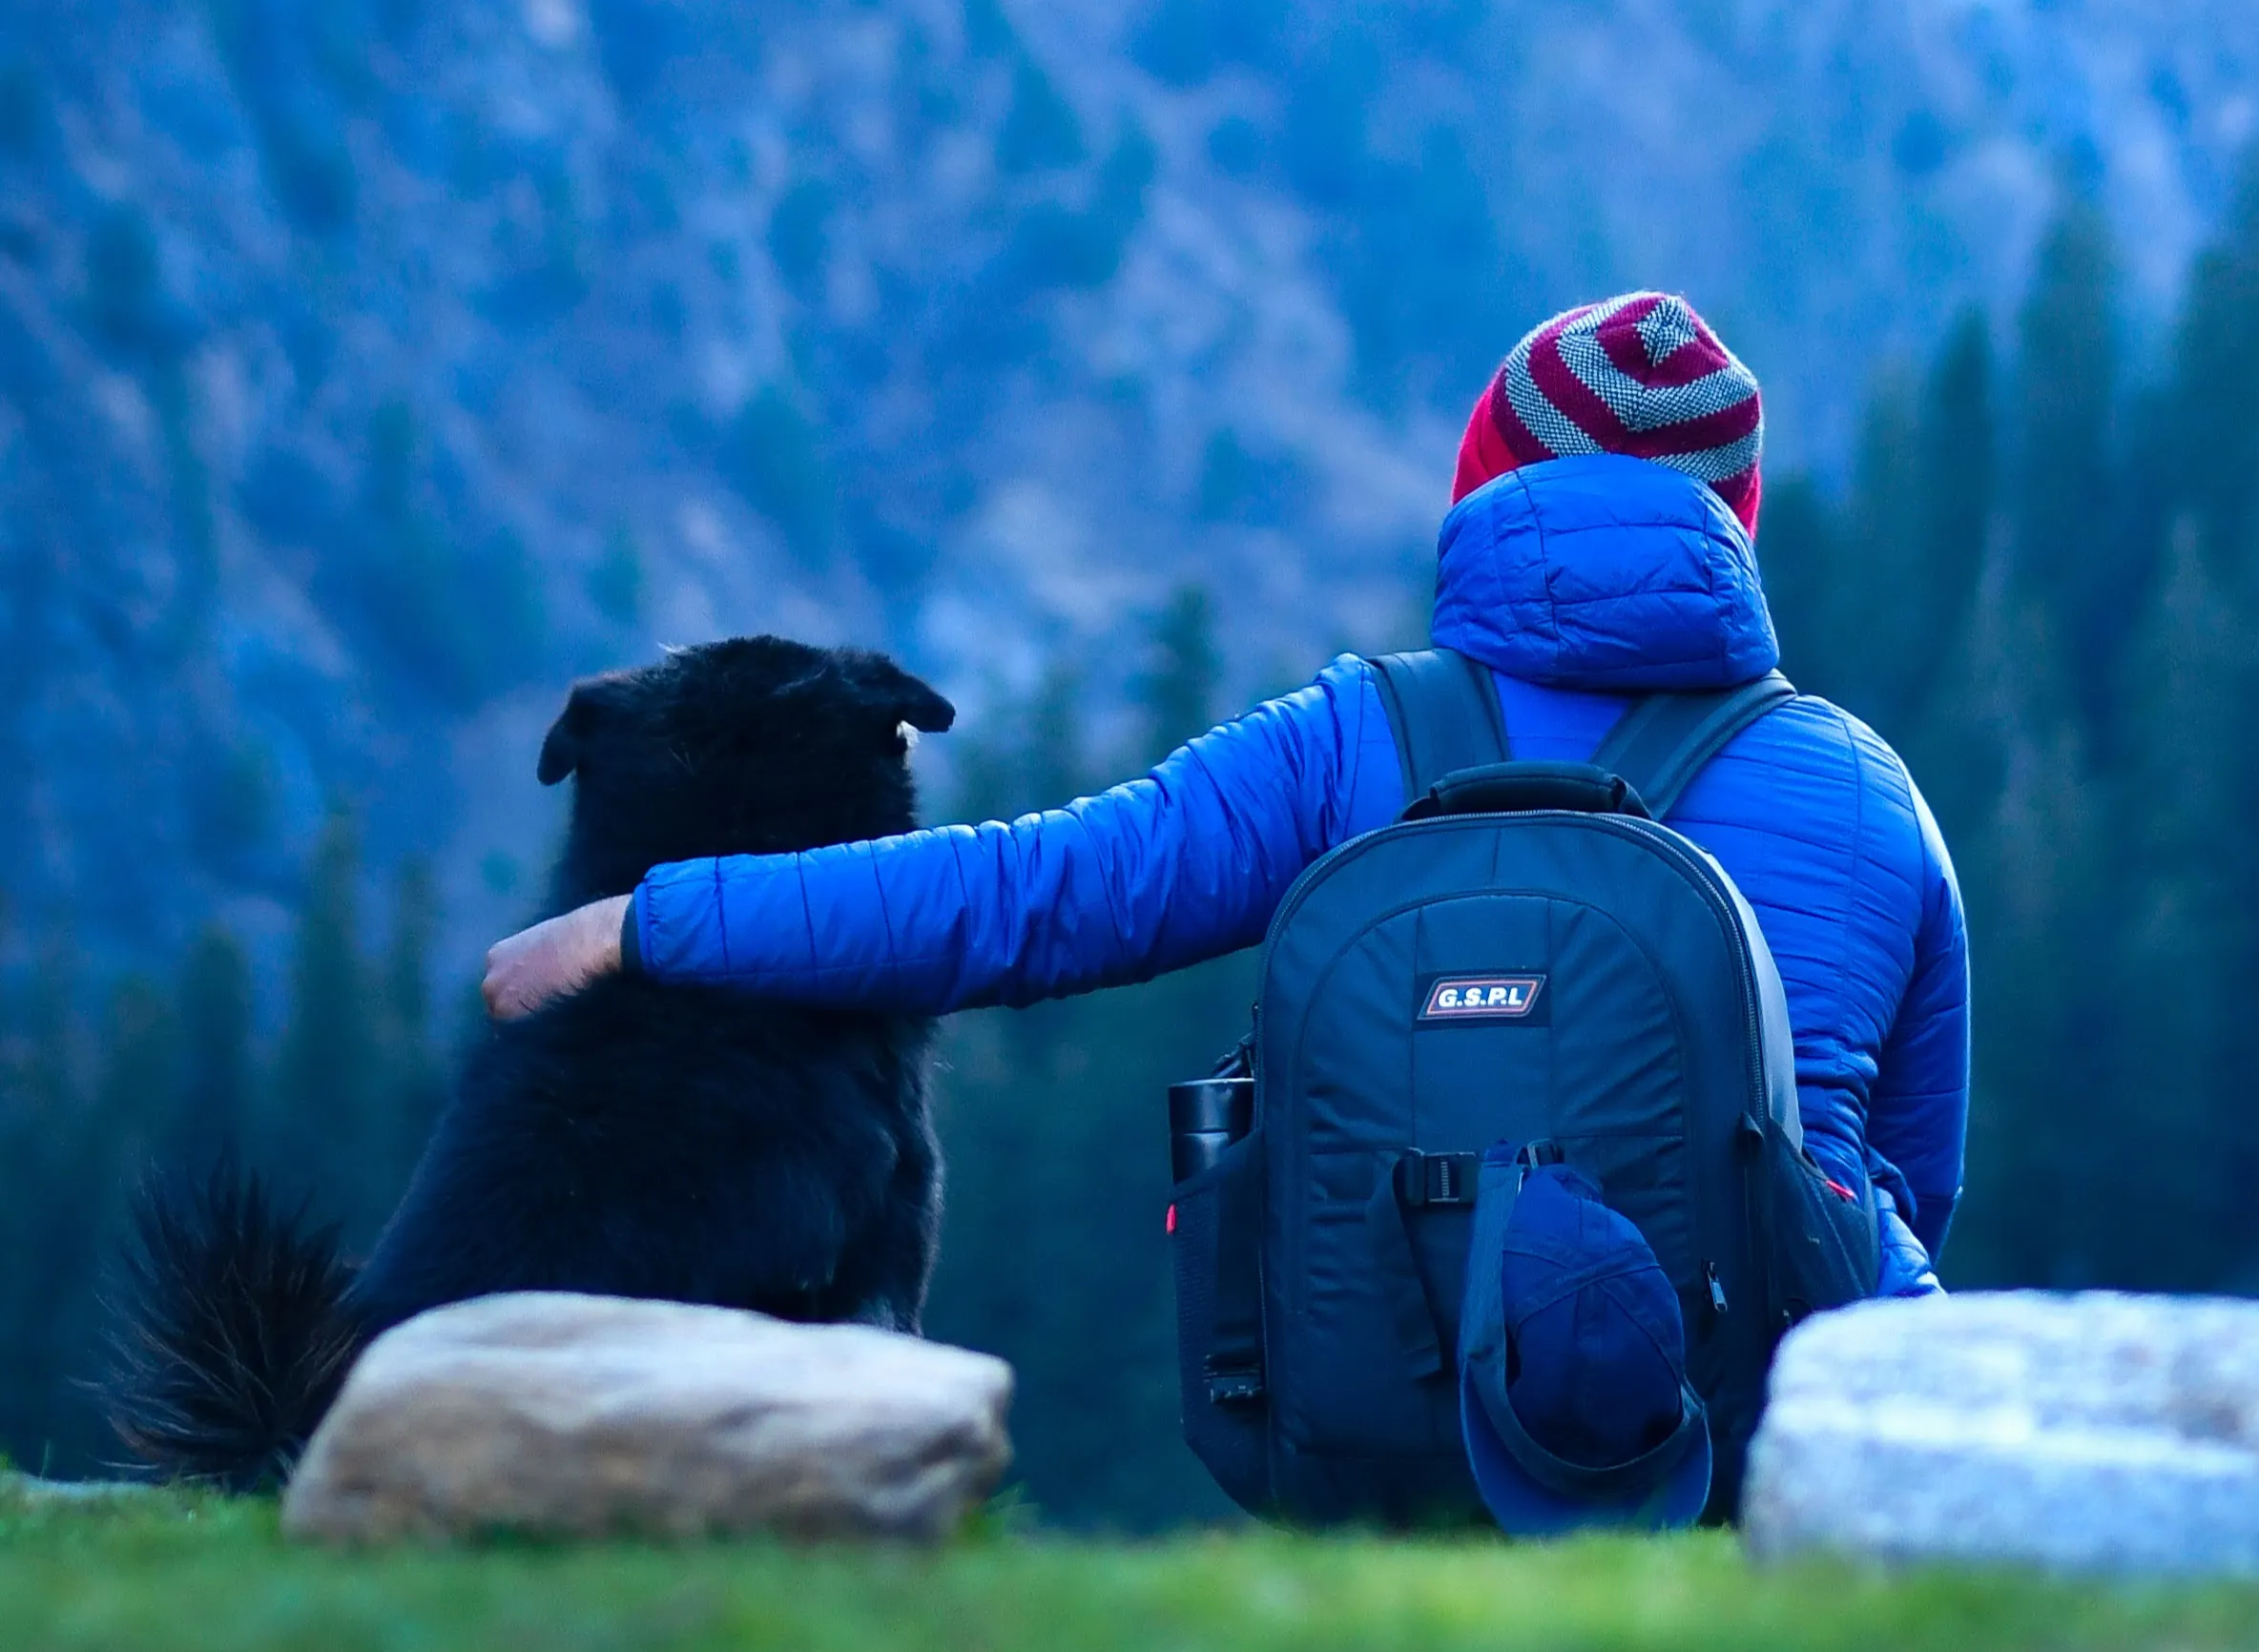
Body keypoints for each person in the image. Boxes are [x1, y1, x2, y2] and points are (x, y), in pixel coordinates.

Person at [485, 290, 1972, 1301]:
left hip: (1400, 1392)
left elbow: (1026, 898)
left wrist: (649, 921)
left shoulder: (1352, 741)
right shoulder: (1864, 791)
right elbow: (1912, 1176)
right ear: (1735, 522)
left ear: (1486, 486)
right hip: (1771, 1403)